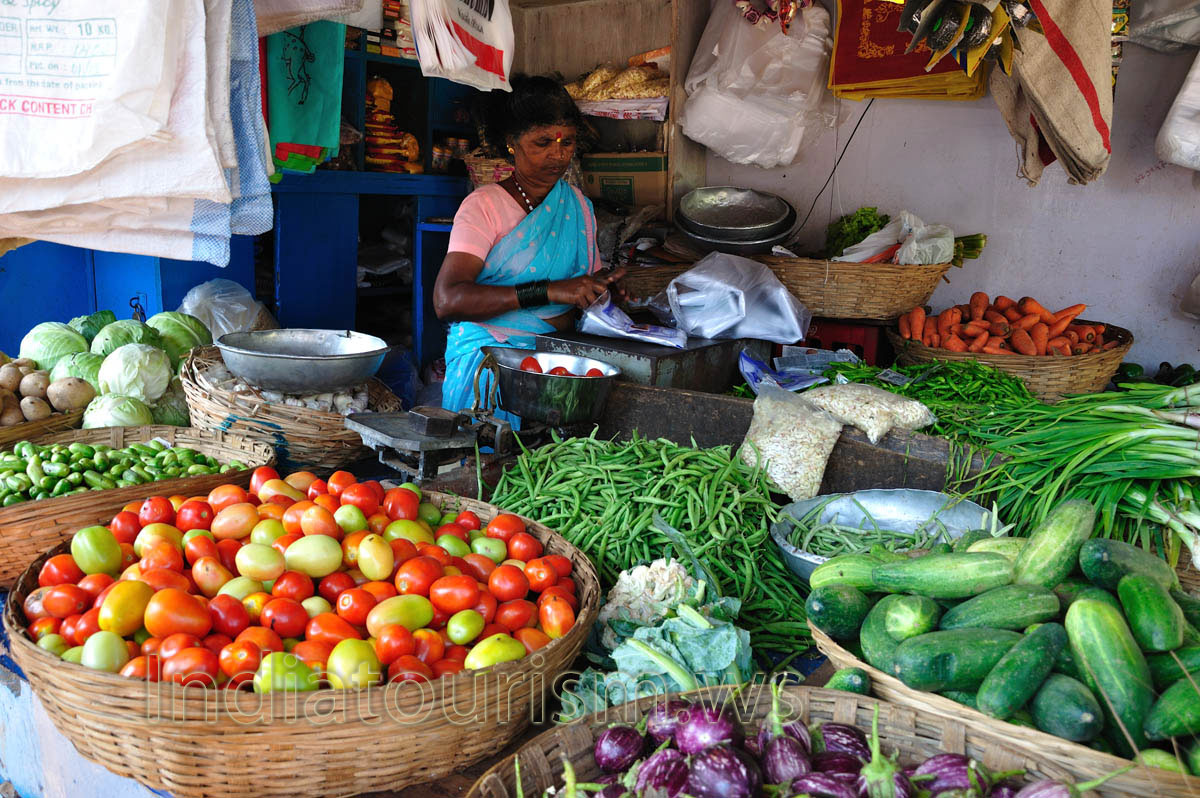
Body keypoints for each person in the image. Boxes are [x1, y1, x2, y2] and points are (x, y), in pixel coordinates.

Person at [433, 76, 626, 419]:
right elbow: (448, 301)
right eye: (542, 143)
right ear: (512, 143)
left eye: (567, 142)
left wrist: (603, 291)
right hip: (490, 365)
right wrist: (548, 292)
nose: (558, 153)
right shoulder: (484, 206)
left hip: (556, 365)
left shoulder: (578, 205)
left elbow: (581, 285)